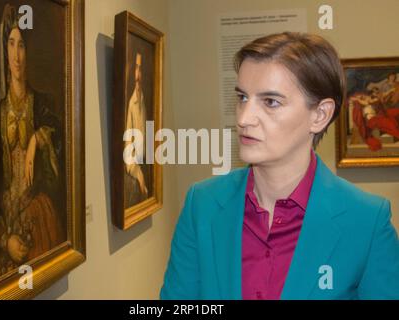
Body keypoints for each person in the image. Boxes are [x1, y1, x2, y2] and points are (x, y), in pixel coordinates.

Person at [160, 32, 399, 300]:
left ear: (320, 115)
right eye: (242, 97)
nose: (244, 118)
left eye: (270, 102)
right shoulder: (201, 204)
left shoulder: (367, 220)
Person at [0, 4, 64, 284]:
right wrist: (5, 240)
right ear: (5, 50)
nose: (16, 56)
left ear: (29, 52)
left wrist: (35, 141)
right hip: (6, 224)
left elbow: (59, 144)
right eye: (11, 44)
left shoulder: (41, 105)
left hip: (38, 216)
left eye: (22, 46)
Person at [124, 52, 149, 208]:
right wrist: (138, 173)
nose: (138, 74)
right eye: (136, 68)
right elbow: (128, 149)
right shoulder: (131, 104)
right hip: (135, 167)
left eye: (141, 68)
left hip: (146, 162)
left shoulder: (143, 99)